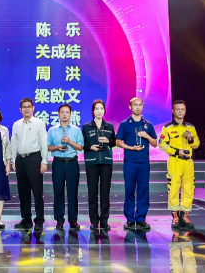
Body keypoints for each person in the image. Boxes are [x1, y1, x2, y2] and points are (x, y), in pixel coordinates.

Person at [116, 97, 157, 232]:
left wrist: (147, 136)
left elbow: (155, 143)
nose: (138, 107)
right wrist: (131, 148)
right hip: (130, 162)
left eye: (140, 105)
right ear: (130, 107)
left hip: (144, 162)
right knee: (129, 189)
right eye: (135, 105)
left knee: (143, 189)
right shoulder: (125, 124)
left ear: (143, 106)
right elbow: (118, 142)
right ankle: (129, 218)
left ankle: (141, 218)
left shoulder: (148, 125)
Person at [159, 100, 199, 229]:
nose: (180, 111)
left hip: (188, 162)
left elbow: (196, 144)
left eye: (182, 109)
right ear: (173, 111)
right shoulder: (167, 128)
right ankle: (175, 217)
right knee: (174, 189)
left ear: (185, 111)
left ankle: (185, 216)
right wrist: (177, 151)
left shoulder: (191, 127)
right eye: (178, 109)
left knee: (189, 189)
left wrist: (190, 138)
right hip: (175, 161)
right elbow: (162, 144)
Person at [10, 97, 48, 232]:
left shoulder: (39, 123)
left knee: (37, 191)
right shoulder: (16, 124)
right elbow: (13, 143)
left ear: (33, 108)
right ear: (20, 109)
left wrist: (44, 161)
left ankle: (39, 220)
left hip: (34, 159)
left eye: (28, 107)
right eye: (24, 107)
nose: (26, 109)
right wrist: (13, 160)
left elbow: (44, 143)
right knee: (23, 191)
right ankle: (26, 219)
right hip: (20, 160)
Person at [47, 103, 84, 230]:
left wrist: (69, 142)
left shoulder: (76, 130)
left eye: (67, 112)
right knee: (58, 191)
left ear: (70, 114)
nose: (64, 114)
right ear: (58, 114)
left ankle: (73, 220)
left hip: (72, 162)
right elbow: (48, 147)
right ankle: (59, 219)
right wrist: (57, 148)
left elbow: (80, 147)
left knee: (73, 191)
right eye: (62, 112)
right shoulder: (52, 130)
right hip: (58, 163)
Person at [82, 99, 116, 231]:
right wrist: (91, 147)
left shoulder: (109, 126)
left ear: (104, 111)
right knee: (92, 192)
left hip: (106, 161)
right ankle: (94, 221)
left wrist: (108, 140)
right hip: (92, 162)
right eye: (96, 109)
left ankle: (104, 220)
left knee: (105, 192)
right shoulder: (86, 127)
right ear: (93, 111)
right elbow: (82, 144)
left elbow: (114, 142)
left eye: (101, 108)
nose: (99, 111)